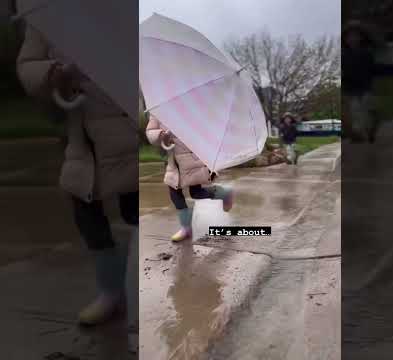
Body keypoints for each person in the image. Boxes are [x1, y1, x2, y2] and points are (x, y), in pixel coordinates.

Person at [17, 25, 139, 326]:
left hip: (122, 126)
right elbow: (28, 66)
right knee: (85, 206)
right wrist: (53, 72)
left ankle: (138, 287)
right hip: (80, 134)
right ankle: (109, 291)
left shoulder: (118, 16)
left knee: (135, 208)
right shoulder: (51, 15)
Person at [146, 114, 234, 242]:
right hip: (173, 160)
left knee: (196, 193)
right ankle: (186, 228)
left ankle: (224, 193)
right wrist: (160, 135)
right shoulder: (157, 110)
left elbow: (204, 127)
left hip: (191, 157)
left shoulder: (189, 105)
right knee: (174, 192)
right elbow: (150, 132)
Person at [342, 20, 379, 143]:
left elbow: (372, 69)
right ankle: (358, 132)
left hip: (366, 86)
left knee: (367, 109)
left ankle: (370, 129)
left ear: (361, 37)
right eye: (350, 37)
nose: (352, 39)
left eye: (356, 36)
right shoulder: (344, 54)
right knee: (355, 110)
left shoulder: (367, 52)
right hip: (351, 88)